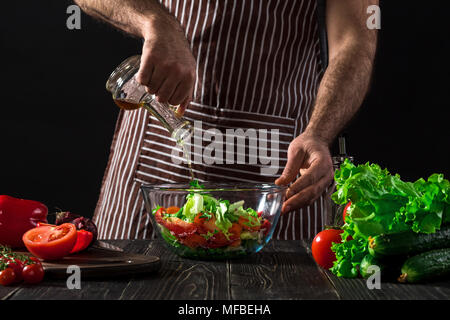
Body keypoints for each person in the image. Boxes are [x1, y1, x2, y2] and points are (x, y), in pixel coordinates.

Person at [75, 0, 377, 240]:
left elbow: (354, 40)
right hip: (160, 139)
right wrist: (154, 21)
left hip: (277, 154)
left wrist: (319, 133)